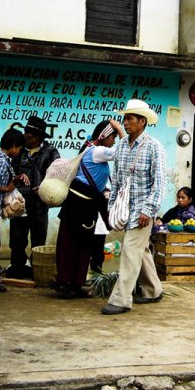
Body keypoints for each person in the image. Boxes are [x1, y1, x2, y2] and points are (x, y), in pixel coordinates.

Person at [101, 100, 166, 315]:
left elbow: (159, 183)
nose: (125, 123)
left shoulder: (154, 147)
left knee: (130, 251)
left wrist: (148, 210)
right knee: (141, 250)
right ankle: (153, 290)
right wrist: (112, 208)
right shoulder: (120, 146)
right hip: (125, 209)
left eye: (130, 119)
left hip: (142, 212)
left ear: (142, 121)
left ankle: (121, 300)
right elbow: (117, 179)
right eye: (125, 118)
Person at [53, 119, 124, 298]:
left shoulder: (93, 150)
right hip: (80, 204)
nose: (114, 140)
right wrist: (121, 129)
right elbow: (124, 152)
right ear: (104, 136)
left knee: (81, 245)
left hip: (85, 205)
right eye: (113, 137)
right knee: (73, 244)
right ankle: (65, 282)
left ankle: (74, 284)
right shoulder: (97, 151)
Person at [6, 115, 60, 279]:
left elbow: (57, 173)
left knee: (38, 238)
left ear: (37, 137)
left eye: (28, 135)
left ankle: (36, 269)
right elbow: (11, 170)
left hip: (39, 203)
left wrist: (44, 186)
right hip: (19, 202)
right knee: (17, 238)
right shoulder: (19, 150)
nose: (25, 137)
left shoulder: (51, 152)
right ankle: (17, 267)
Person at [0, 128, 26, 293]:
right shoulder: (2, 162)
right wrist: (8, 188)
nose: (19, 152)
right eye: (19, 148)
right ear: (13, 146)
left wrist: (16, 178)